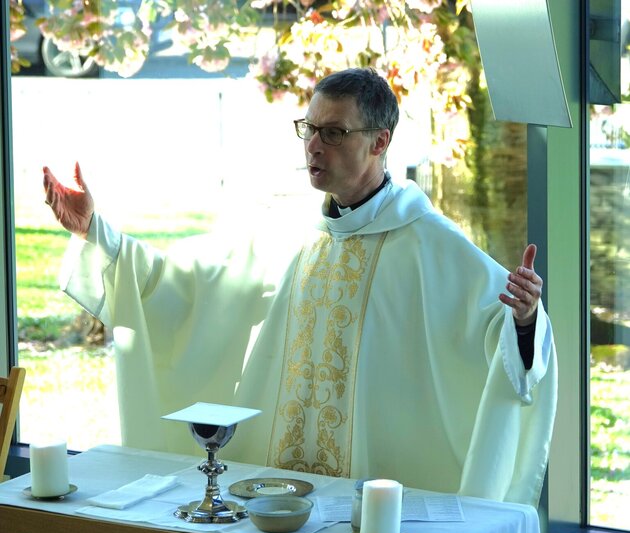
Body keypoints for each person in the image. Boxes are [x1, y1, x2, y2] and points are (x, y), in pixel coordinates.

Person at [42, 67, 557, 507]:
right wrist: (97, 234)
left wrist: (526, 319)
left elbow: (505, 330)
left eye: (333, 133)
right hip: (276, 497)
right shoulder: (290, 231)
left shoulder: (431, 244)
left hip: (378, 500)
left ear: (380, 142)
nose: (313, 145)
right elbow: (183, 284)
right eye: (308, 129)